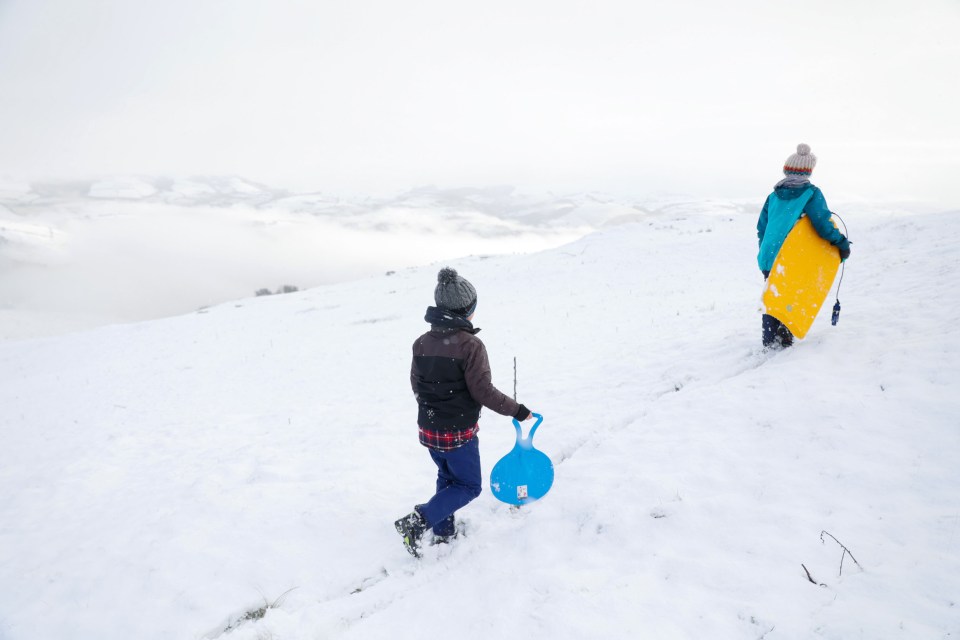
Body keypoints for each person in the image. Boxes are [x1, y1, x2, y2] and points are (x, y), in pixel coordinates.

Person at [394, 267, 534, 557]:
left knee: (447, 477)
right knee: (469, 485)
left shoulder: (421, 342)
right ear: (467, 309)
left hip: (429, 429)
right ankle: (418, 521)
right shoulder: (470, 345)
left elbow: (415, 384)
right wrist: (517, 410)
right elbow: (483, 391)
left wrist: (433, 410)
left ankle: (444, 531)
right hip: (457, 432)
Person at [756, 143, 851, 349]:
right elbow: (822, 223)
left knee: (773, 297)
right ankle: (783, 344)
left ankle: (770, 343)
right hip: (792, 256)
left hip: (770, 256)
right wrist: (841, 243)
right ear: (809, 171)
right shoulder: (811, 193)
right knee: (790, 297)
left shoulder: (773, 196)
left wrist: (765, 251)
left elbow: (761, 228)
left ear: (786, 168)